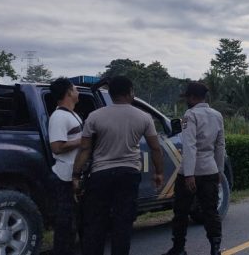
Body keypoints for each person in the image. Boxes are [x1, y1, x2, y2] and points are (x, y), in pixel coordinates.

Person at [72, 76, 164, 255]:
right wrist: (158, 172)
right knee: (122, 224)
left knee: (95, 223)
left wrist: (75, 176)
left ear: (112, 94)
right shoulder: (144, 117)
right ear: (130, 92)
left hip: (100, 175)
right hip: (128, 175)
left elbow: (84, 149)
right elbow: (156, 148)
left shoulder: (95, 116)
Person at [162, 82, 226, 255]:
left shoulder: (190, 115)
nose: (186, 101)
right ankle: (215, 248)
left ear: (192, 97)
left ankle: (179, 248)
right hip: (210, 169)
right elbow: (220, 146)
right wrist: (219, 170)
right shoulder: (217, 115)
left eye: (187, 98)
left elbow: (189, 146)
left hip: (190, 172)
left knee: (181, 212)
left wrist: (189, 174)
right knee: (210, 210)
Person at [48, 78, 82, 255]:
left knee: (73, 222)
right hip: (64, 177)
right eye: (75, 89)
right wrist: (83, 141)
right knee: (65, 224)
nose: (78, 92)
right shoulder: (59, 117)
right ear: (69, 92)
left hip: (73, 175)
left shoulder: (72, 114)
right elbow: (57, 147)